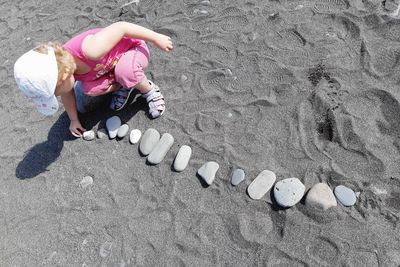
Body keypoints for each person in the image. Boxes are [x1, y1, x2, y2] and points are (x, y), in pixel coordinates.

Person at [14, 21, 173, 137]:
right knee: (88, 89)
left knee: (127, 72)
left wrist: (155, 37)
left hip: (132, 51)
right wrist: (73, 119)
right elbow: (67, 93)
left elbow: (122, 27)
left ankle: (149, 90)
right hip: (109, 68)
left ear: (63, 76)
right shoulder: (65, 70)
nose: (57, 96)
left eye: (55, 92)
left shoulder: (90, 50)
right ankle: (125, 85)